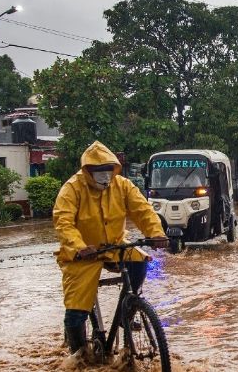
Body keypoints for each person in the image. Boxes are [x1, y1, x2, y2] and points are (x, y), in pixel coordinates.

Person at [53, 141, 169, 355]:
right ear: (87, 171)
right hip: (82, 254)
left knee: (140, 262)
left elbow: (142, 210)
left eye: (108, 170)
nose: (105, 176)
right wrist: (79, 246)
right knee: (76, 310)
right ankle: (78, 357)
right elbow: (63, 222)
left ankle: (129, 311)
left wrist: (155, 233)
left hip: (116, 245)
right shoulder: (72, 188)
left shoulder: (122, 185)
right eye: (99, 171)